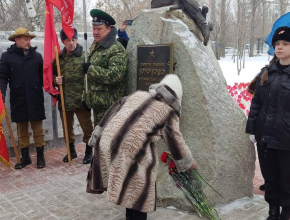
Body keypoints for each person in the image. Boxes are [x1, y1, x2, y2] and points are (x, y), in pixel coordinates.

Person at [86, 74, 197, 220]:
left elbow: (113, 109)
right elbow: (175, 139)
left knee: (130, 186)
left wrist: (97, 135)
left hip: (108, 141)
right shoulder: (167, 111)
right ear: (176, 97)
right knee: (140, 190)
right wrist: (188, 162)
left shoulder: (137, 95)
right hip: (129, 148)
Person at [246, 26, 290, 220]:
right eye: (277, 44)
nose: (280, 47)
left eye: (285, 44)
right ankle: (273, 211)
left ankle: (286, 212)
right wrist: (252, 128)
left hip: (287, 139)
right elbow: (257, 103)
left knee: (287, 180)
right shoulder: (266, 73)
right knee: (270, 177)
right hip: (266, 137)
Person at [0, 28, 46, 169]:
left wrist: (54, 84)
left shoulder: (37, 56)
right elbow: (2, 77)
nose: (28, 41)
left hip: (35, 97)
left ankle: (40, 157)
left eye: (29, 39)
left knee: (38, 129)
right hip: (18, 97)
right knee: (21, 129)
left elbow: (44, 78)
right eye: (25, 39)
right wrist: (1, 94)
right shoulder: (7, 57)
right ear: (16, 40)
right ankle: (25, 157)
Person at [53, 28, 94, 164]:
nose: (71, 43)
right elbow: (52, 76)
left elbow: (93, 75)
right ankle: (71, 151)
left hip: (81, 99)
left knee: (87, 128)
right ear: (63, 41)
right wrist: (55, 80)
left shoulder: (85, 56)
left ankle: (89, 152)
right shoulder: (58, 59)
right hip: (65, 100)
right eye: (68, 40)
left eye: (74, 39)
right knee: (66, 128)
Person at [82, 9, 129, 127]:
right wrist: (86, 98)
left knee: (109, 141)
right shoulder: (97, 45)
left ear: (109, 29)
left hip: (110, 107)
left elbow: (115, 75)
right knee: (100, 140)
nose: (95, 32)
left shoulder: (115, 48)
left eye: (99, 29)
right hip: (98, 105)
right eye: (93, 28)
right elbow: (89, 79)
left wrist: (91, 69)